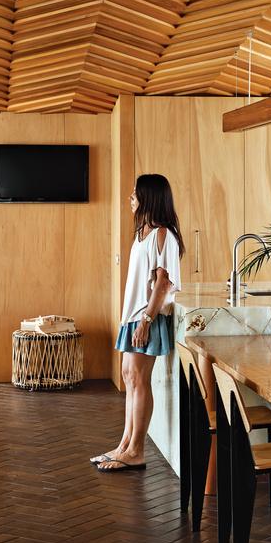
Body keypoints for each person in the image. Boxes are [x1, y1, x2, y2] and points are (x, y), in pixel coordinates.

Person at [91, 173, 184, 471]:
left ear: (150, 197)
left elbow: (162, 282)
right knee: (129, 377)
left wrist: (146, 319)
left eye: (135, 193)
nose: (130, 197)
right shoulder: (142, 233)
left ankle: (137, 451)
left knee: (139, 380)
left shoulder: (163, 234)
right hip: (133, 316)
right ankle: (124, 445)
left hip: (147, 317)